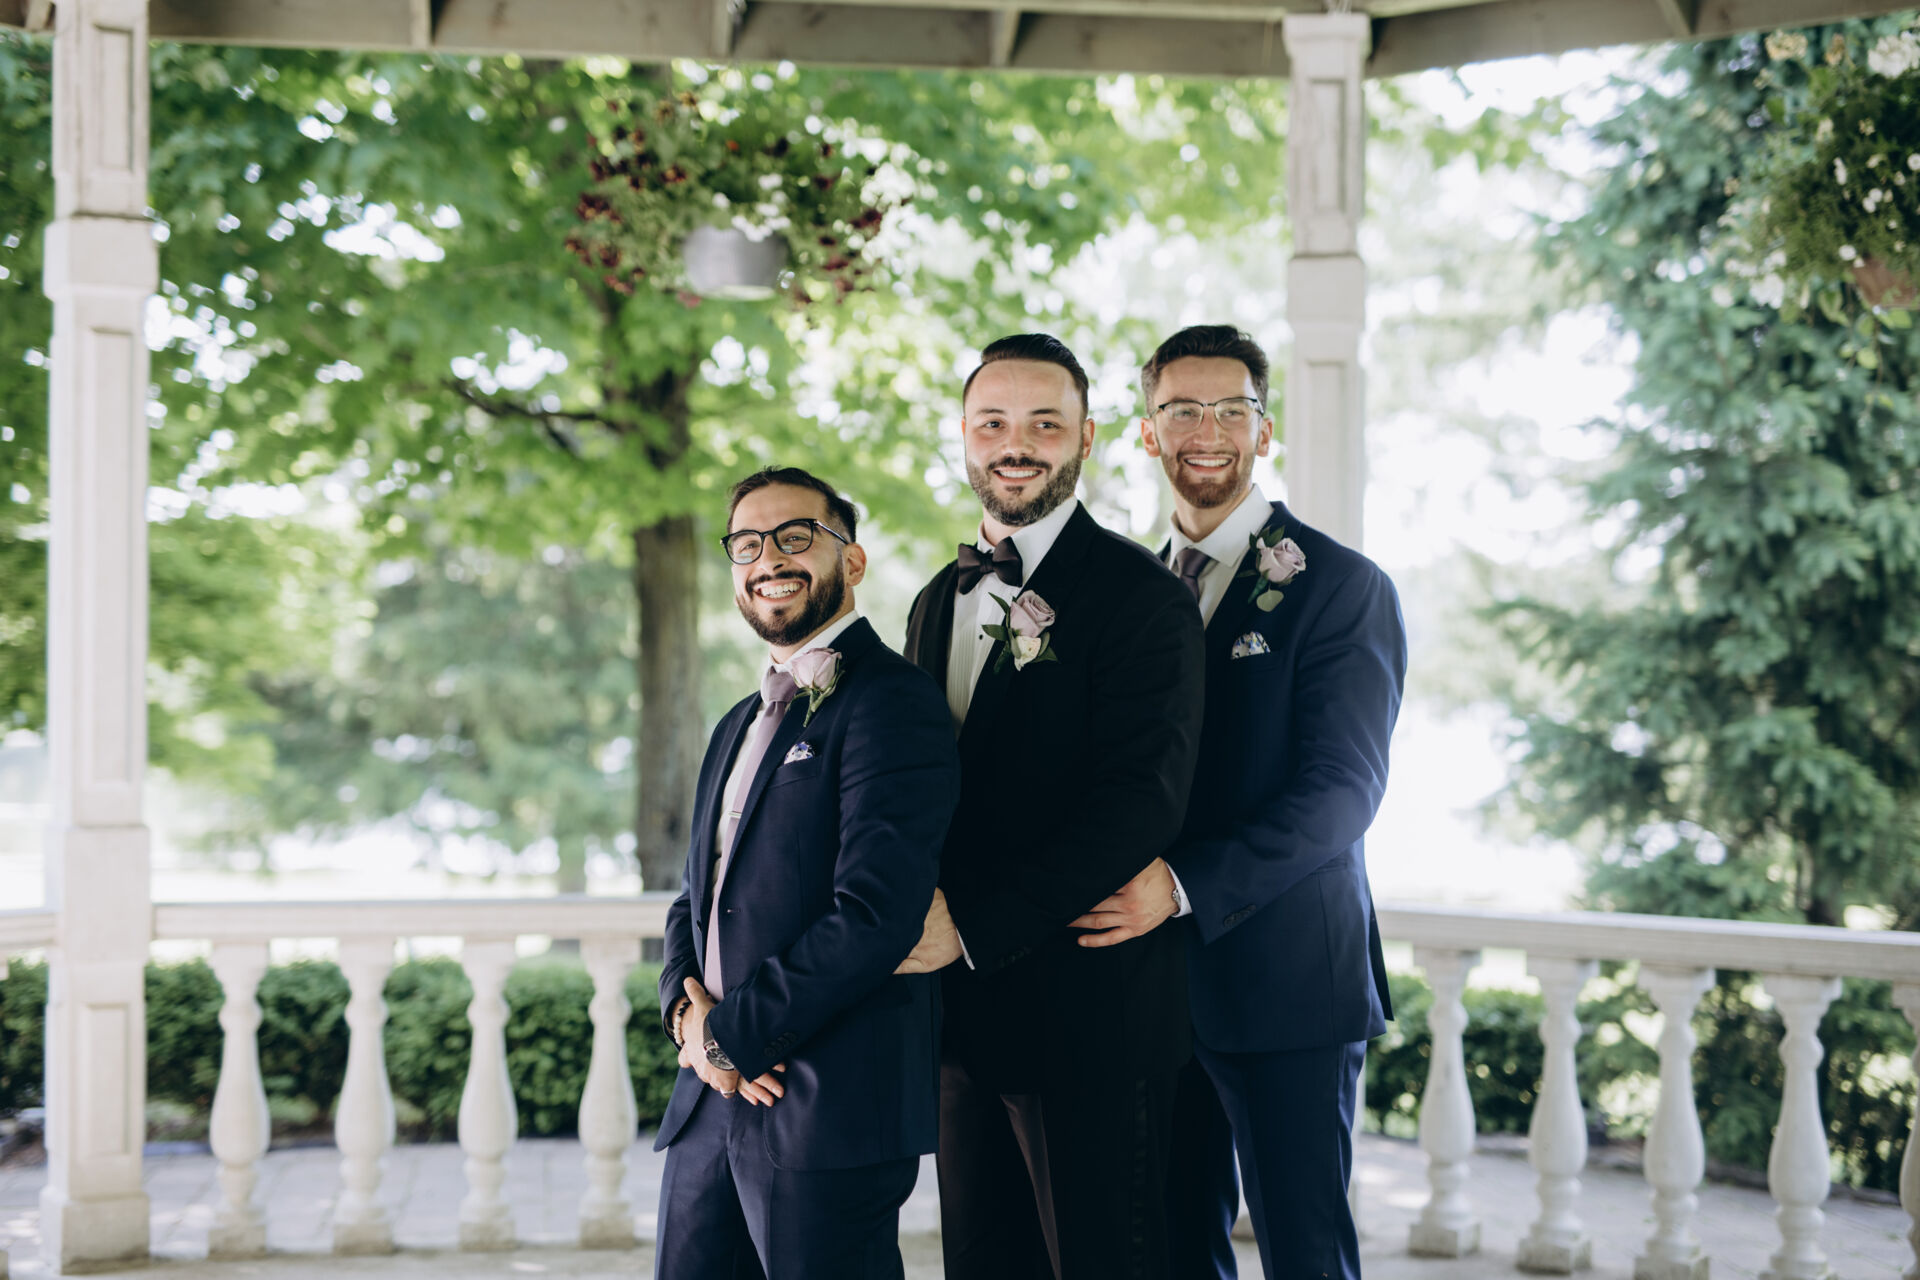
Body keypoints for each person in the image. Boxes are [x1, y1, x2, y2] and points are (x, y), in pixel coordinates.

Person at [1079, 324, 1405, 1280]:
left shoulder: (1342, 586)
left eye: (1232, 409)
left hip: (1289, 983)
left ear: (1265, 430)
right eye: (1182, 409)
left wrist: (1180, 886)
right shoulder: (1123, 596)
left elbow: (1343, 794)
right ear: (1148, 431)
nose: (1208, 430)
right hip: (1151, 990)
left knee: (1307, 1255)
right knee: (1173, 1252)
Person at [895, 333, 1206, 1280]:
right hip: (961, 1024)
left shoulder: (1143, 598)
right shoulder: (933, 602)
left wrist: (967, 927)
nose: (1015, 445)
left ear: (1087, 438)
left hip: (1090, 1018)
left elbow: (1139, 805)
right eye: (992, 423)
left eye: (1043, 424)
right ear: (964, 435)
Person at [654, 466, 960, 1280]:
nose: (769, 559)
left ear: (851, 561)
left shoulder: (894, 701)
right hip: (708, 1102)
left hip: (827, 1103)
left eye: (795, 537)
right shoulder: (737, 722)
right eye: (747, 544)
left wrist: (734, 1036)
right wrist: (687, 1022)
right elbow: (695, 898)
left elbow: (876, 914)